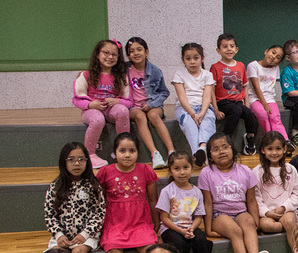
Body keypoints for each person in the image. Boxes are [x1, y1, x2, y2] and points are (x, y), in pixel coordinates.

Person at [199, 132, 273, 253]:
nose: (222, 151)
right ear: (210, 155)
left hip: (241, 211)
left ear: (233, 149)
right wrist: (209, 229)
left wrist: (256, 222)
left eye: (225, 147)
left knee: (248, 222)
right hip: (219, 214)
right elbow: (207, 203)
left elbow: (251, 200)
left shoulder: (245, 170)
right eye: (216, 149)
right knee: (235, 230)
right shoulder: (207, 173)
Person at [44, 142, 106, 253]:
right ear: (64, 162)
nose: (77, 164)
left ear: (87, 162)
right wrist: (59, 236)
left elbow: (99, 213)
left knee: (78, 252)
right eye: (71, 159)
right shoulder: (55, 186)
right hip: (63, 235)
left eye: (81, 159)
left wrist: (84, 235)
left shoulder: (93, 185)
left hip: (87, 235)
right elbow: (49, 215)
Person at [97, 132, 158, 253]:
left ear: (138, 153)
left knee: (149, 247)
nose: (127, 155)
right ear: (114, 153)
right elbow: (99, 201)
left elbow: (153, 200)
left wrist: (156, 223)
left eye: (132, 151)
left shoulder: (145, 170)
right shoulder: (105, 172)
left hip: (140, 222)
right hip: (115, 223)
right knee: (112, 246)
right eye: (122, 150)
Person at [156, 151, 215, 253]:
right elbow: (164, 219)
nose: (182, 172)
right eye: (177, 168)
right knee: (177, 244)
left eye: (185, 167)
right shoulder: (167, 191)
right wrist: (181, 231)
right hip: (172, 228)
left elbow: (199, 217)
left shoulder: (196, 192)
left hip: (190, 226)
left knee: (202, 242)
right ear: (170, 171)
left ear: (192, 168)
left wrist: (191, 228)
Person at [72, 39, 131, 169]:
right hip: (91, 111)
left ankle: (122, 148)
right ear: (98, 54)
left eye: (114, 54)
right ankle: (90, 155)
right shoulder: (86, 75)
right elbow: (76, 99)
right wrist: (90, 105)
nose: (110, 57)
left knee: (122, 111)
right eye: (106, 53)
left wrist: (118, 101)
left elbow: (128, 101)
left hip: (111, 110)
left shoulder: (121, 77)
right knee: (98, 119)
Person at [125, 37, 174, 169]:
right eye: (131, 51)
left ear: (146, 52)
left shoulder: (155, 71)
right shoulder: (124, 70)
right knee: (140, 117)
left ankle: (171, 152)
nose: (136, 53)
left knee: (153, 115)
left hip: (153, 104)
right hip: (134, 107)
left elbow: (164, 92)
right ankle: (155, 154)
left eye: (139, 49)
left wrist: (151, 105)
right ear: (128, 55)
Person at [253, 131, 298, 250]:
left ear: (285, 149)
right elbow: (256, 198)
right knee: (266, 225)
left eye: (278, 148)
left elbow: (297, 194)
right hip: (267, 214)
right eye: (270, 149)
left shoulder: (291, 169)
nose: (274, 153)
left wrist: (283, 208)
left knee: (289, 220)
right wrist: (266, 212)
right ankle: (294, 227)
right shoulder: (257, 171)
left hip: (286, 211)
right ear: (263, 150)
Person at [210, 34, 258, 156]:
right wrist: (215, 109)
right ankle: (225, 139)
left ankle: (250, 138)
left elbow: (245, 86)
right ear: (218, 50)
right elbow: (211, 90)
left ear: (236, 49)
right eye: (225, 47)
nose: (229, 49)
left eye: (232, 46)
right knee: (236, 111)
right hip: (223, 102)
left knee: (249, 114)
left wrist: (247, 104)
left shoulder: (240, 65)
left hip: (238, 101)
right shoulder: (215, 67)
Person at [171, 42, 216, 167]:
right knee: (189, 124)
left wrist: (202, 113)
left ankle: (202, 147)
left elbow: (207, 96)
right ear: (183, 60)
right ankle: (198, 152)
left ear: (202, 58)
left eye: (196, 58)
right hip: (185, 108)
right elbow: (182, 97)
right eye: (188, 58)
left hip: (203, 107)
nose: (192, 62)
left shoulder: (207, 75)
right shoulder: (179, 74)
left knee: (208, 120)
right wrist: (192, 114)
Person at [247, 44, 290, 145]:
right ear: (266, 51)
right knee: (263, 115)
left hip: (270, 99)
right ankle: (271, 141)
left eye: (278, 57)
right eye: (273, 52)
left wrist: (268, 103)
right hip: (254, 98)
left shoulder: (275, 68)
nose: (273, 57)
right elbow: (256, 88)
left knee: (275, 117)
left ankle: (284, 142)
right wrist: (264, 104)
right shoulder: (253, 66)